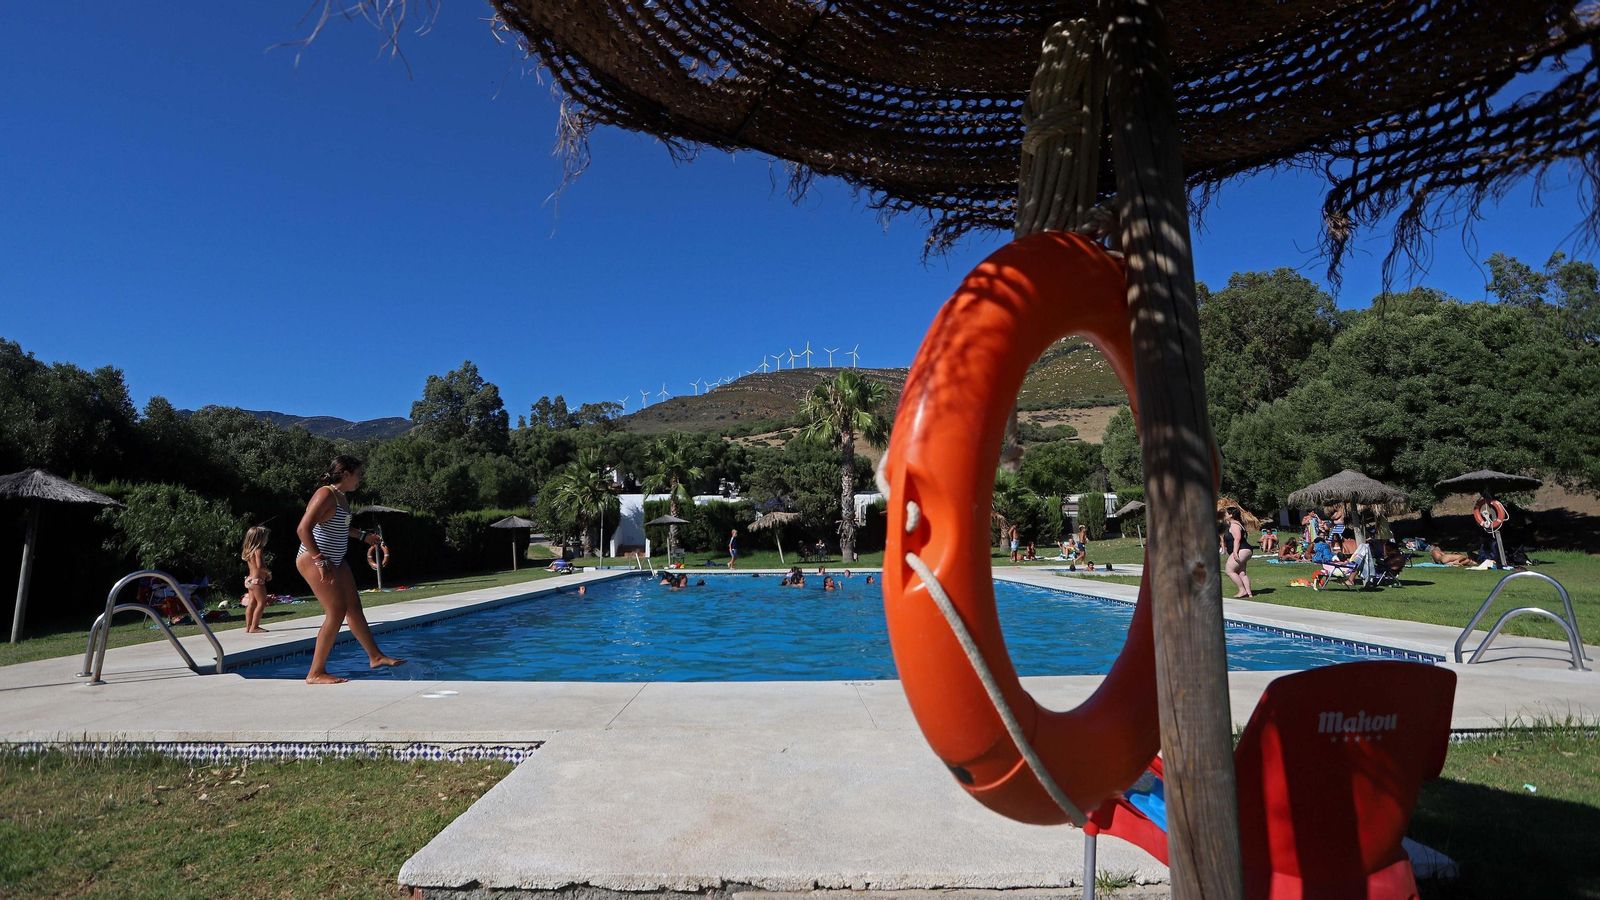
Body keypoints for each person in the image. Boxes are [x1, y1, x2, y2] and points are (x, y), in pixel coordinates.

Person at [295, 455, 403, 685]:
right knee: (336, 611)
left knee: (354, 607)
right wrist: (319, 560)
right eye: (358, 474)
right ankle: (315, 672)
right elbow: (303, 529)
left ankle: (375, 656)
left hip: (335, 559)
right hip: (314, 559)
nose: (360, 479)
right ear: (345, 474)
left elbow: (339, 526)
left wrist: (363, 536)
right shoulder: (325, 494)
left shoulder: (341, 498)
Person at [240, 525, 272, 634]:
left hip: (250, 580)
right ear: (260, 539)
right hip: (257, 582)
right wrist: (268, 573)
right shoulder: (258, 550)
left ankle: (248, 626)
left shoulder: (248, 550)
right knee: (261, 603)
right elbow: (260, 566)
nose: (267, 539)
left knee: (252, 603)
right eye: (265, 537)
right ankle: (255, 626)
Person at [1221, 507, 1254, 599]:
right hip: (1246, 550)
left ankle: (1242, 590)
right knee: (1242, 573)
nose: (1224, 515)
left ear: (1231, 515)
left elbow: (1237, 539)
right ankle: (1249, 593)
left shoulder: (1234, 525)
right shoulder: (1237, 524)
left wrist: (1235, 552)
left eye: (1226, 513)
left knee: (1229, 571)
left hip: (1241, 550)